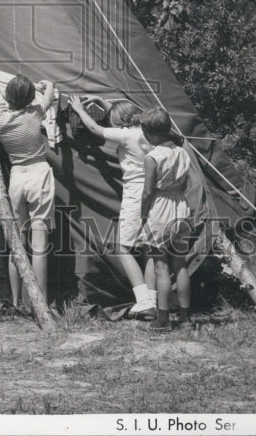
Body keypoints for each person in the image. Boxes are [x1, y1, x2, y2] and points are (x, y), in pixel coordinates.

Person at [67, 94, 157, 318]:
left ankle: (143, 300)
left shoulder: (126, 136)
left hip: (135, 194)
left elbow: (95, 129)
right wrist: (103, 101)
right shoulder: (148, 133)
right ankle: (153, 300)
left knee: (123, 247)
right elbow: (124, 115)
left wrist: (79, 109)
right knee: (148, 249)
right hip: (155, 193)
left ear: (120, 122)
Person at [0, 61, 56, 306]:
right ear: (31, 98)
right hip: (39, 173)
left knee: (17, 243)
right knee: (39, 242)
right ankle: (39, 301)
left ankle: (17, 299)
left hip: (17, 177)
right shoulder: (35, 115)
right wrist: (48, 84)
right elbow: (50, 95)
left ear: (7, 97)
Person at [138, 107, 193, 333]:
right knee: (180, 264)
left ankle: (163, 319)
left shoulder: (152, 157)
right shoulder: (182, 152)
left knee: (161, 267)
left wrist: (142, 213)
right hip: (180, 206)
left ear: (149, 134)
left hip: (160, 208)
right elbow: (184, 184)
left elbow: (148, 191)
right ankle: (185, 317)